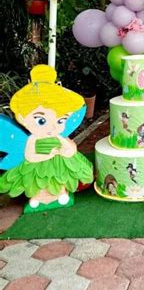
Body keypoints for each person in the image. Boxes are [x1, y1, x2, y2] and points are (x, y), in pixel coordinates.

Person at [0, 65, 93, 209]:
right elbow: (30, 156)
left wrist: (66, 150)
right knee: (36, 181)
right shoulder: (32, 140)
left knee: (60, 177)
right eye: (41, 120)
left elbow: (70, 151)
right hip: (36, 166)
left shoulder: (59, 138)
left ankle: (61, 194)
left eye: (61, 120)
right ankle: (37, 198)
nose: (53, 127)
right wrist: (49, 153)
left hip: (58, 165)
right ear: (22, 118)